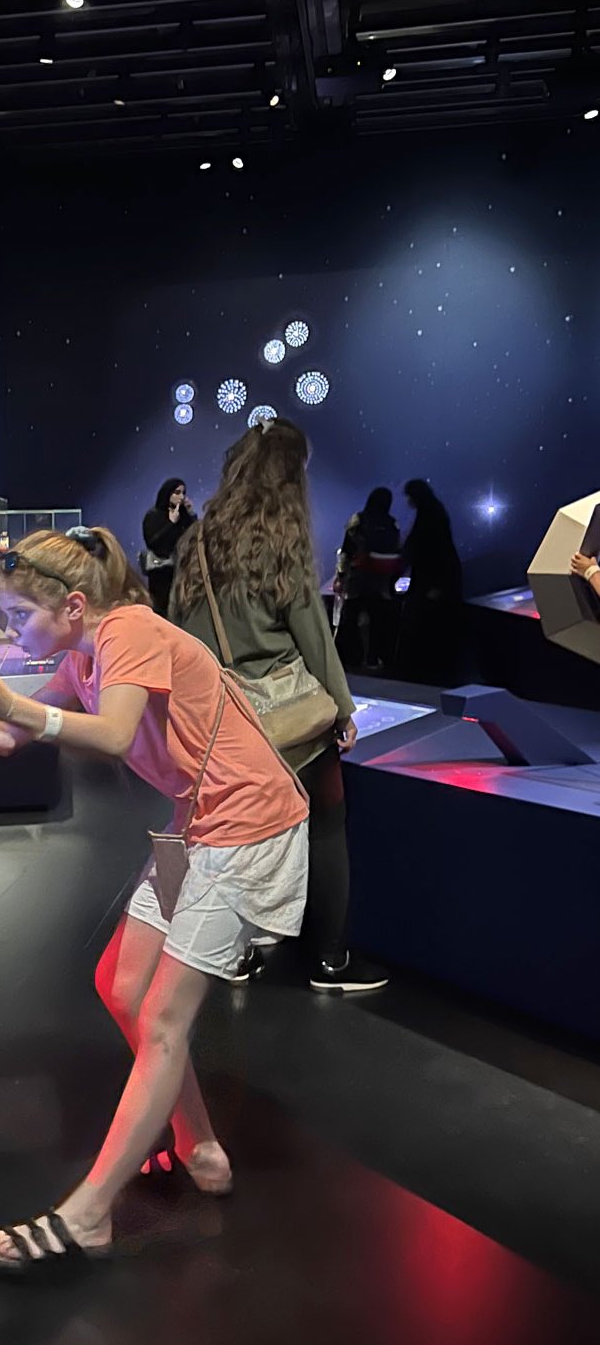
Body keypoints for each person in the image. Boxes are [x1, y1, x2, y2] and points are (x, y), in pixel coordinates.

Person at [0, 526, 309, 1272]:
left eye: (20, 614)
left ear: (76, 607)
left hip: (249, 826)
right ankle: (200, 1147)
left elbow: (115, 736)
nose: (12, 631)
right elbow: (3, 738)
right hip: (198, 827)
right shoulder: (84, 656)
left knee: (160, 1018)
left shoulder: (130, 631)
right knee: (121, 986)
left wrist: (13, 706)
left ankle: (87, 1217)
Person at [171, 417, 388, 995]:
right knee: (328, 823)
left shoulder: (195, 539)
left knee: (223, 833)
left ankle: (231, 954)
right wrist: (342, 709)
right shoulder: (283, 542)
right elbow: (314, 637)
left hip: (215, 717)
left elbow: (178, 630)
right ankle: (332, 961)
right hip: (286, 722)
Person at [396, 478, 464, 682]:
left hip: (434, 580)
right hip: (438, 579)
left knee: (426, 626)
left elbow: (424, 547)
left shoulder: (429, 514)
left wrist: (436, 585)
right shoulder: (433, 510)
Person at [333, 487, 402, 671]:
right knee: (379, 620)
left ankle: (347, 658)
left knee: (351, 617)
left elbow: (347, 549)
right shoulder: (392, 523)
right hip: (382, 580)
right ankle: (375, 658)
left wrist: (340, 575)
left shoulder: (359, 519)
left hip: (359, 577)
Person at [140, 478, 196, 615]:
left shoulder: (183, 516)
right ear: (168, 493)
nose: (181, 497)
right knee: (162, 610)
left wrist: (190, 514)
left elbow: (194, 537)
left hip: (180, 570)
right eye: (177, 492)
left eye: (183, 493)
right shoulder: (153, 515)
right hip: (161, 574)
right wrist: (171, 523)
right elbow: (153, 542)